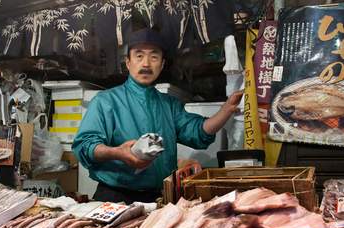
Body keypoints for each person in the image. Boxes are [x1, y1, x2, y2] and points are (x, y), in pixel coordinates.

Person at [72, 28, 243, 204]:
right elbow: (85, 146)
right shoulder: (106, 101)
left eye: (154, 57)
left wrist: (226, 110)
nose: (146, 64)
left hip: (158, 197)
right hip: (115, 198)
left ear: (161, 65)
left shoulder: (169, 104)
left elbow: (198, 131)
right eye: (139, 56)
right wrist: (117, 152)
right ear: (128, 62)